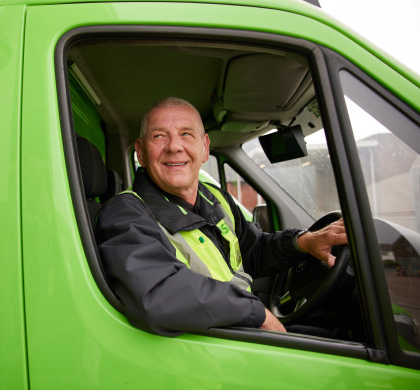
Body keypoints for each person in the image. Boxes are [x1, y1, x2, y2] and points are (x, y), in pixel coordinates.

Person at [95, 97, 348, 336]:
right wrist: (256, 311)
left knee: (335, 332)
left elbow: (253, 251)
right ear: (140, 152)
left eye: (186, 134)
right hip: (210, 343)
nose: (174, 147)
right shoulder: (125, 213)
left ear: (204, 147)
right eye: (159, 136)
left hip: (238, 328)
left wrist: (305, 241)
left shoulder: (215, 197)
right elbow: (157, 292)